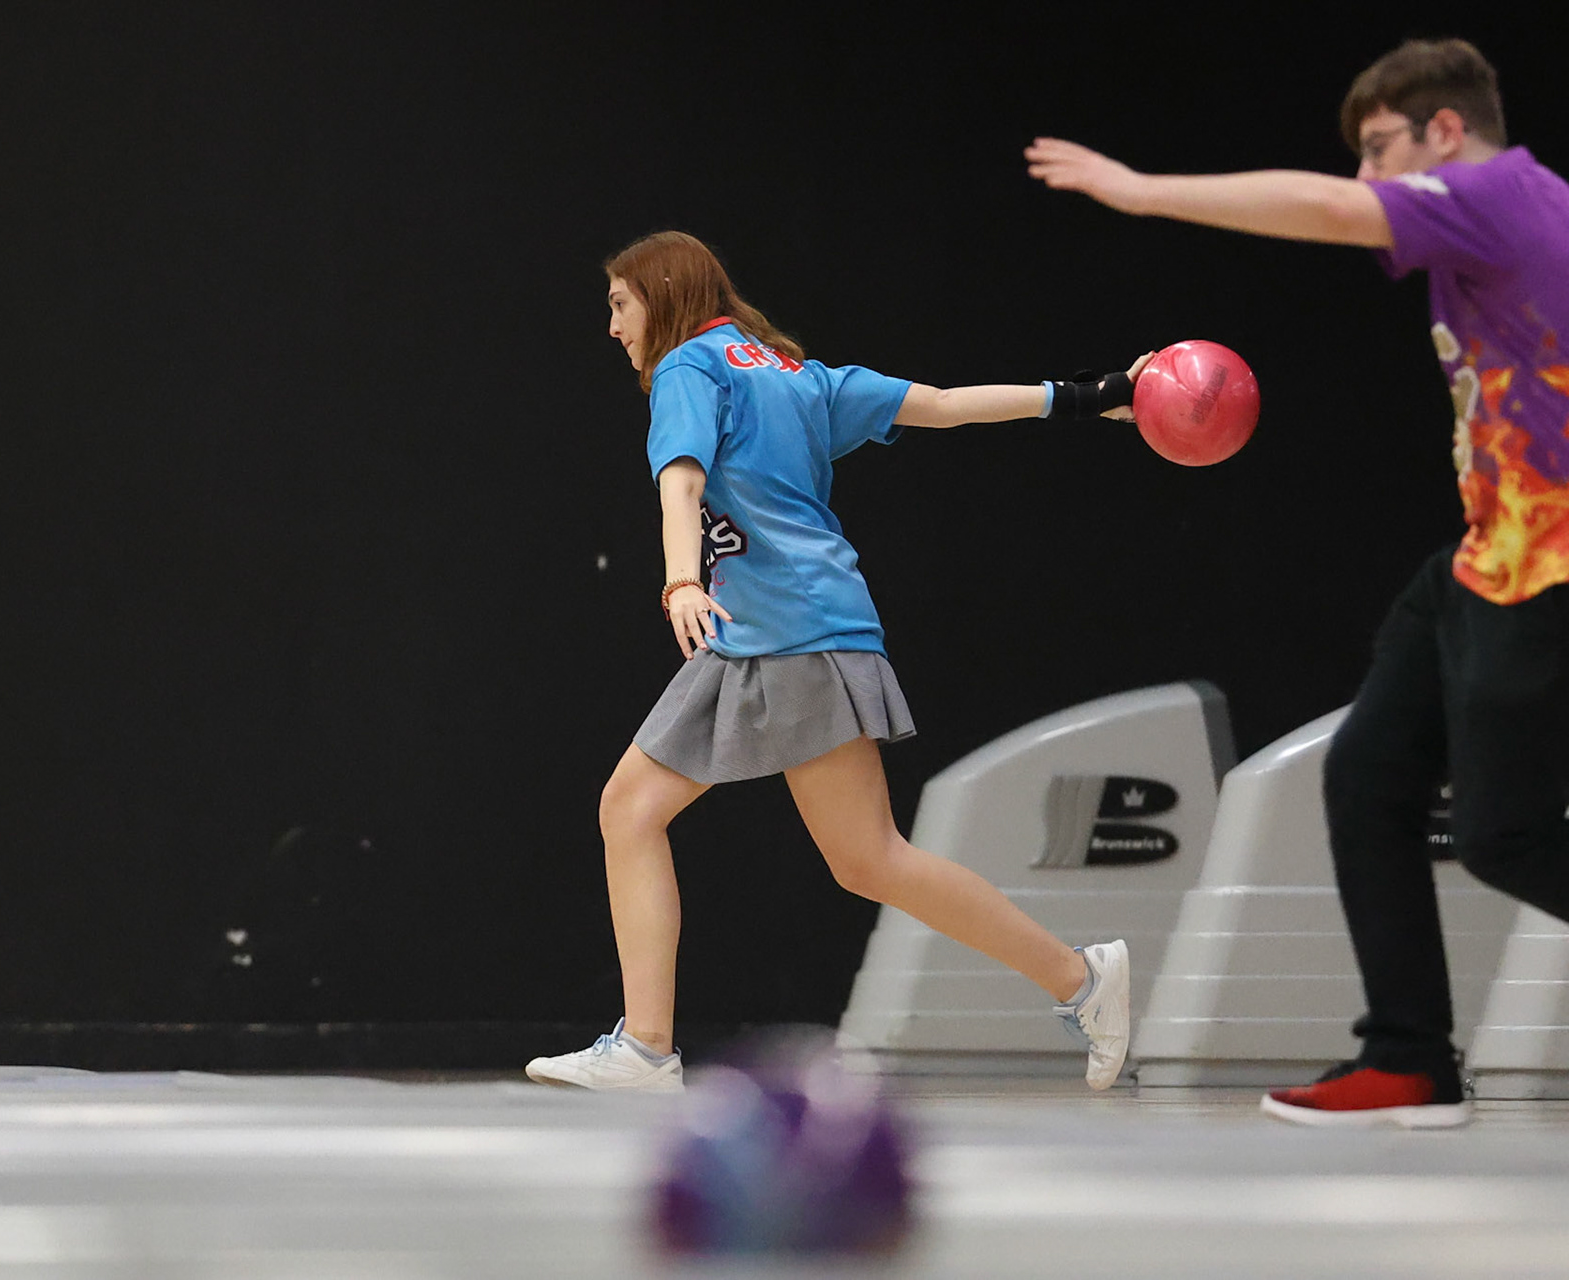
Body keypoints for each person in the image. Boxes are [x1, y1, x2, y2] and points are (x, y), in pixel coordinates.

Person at [1028, 37, 1569, 1128]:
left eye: (1382, 149)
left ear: (1447, 132)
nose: (1371, 180)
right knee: (1368, 776)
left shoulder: (1500, 194)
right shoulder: (1508, 216)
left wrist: (1141, 193)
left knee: (1506, 832)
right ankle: (1410, 1058)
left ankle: (1412, 1055)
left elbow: (1326, 211)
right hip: (1483, 553)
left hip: (1548, 561)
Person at [524, 229, 1147, 1093]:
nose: (612, 326)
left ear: (662, 295)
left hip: (784, 633)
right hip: (772, 628)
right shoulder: (798, 375)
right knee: (659, 816)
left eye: (619, 305)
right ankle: (647, 1047)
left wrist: (677, 582)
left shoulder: (688, 371)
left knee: (857, 856)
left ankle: (1080, 980)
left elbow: (681, 481)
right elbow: (946, 403)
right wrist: (1088, 396)